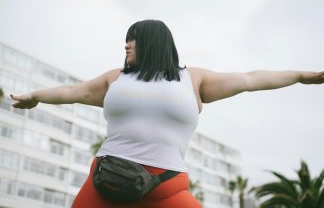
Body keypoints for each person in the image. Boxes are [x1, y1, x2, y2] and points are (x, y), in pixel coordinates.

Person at [10, 19, 324, 208]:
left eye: (131, 39)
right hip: (106, 180)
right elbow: (69, 92)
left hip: (166, 187)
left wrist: (300, 75)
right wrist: (35, 96)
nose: (126, 46)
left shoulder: (194, 78)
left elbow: (250, 79)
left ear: (151, 41)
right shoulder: (115, 78)